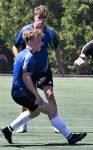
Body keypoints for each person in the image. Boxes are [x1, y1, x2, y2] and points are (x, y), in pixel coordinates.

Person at [1, 29, 87, 144]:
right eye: (39, 41)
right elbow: (26, 77)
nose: (42, 43)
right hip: (22, 93)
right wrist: (37, 95)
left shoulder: (22, 53)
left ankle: (8, 129)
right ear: (30, 42)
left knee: (34, 112)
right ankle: (70, 137)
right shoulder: (29, 57)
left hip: (18, 92)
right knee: (51, 110)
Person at [12, 5, 64, 133]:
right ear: (35, 16)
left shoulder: (50, 32)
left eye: (44, 18)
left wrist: (60, 65)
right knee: (27, 98)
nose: (41, 20)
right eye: (39, 17)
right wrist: (19, 60)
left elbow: (56, 48)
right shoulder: (26, 30)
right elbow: (15, 46)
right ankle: (23, 125)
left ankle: (55, 121)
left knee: (49, 94)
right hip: (29, 70)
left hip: (43, 69)